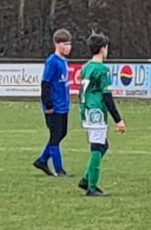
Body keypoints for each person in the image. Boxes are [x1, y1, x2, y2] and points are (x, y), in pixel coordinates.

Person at [77, 33, 126, 197]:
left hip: (86, 110)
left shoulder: (86, 67)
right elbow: (107, 96)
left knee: (103, 145)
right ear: (103, 49)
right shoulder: (102, 70)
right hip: (96, 111)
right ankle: (92, 187)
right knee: (97, 147)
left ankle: (86, 178)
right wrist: (118, 120)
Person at [34, 29, 74, 177]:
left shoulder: (64, 62)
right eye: (64, 44)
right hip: (54, 107)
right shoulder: (52, 61)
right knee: (55, 136)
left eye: (69, 44)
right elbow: (45, 84)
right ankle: (59, 169)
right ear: (56, 44)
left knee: (61, 133)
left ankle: (42, 160)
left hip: (63, 106)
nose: (68, 47)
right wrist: (48, 104)